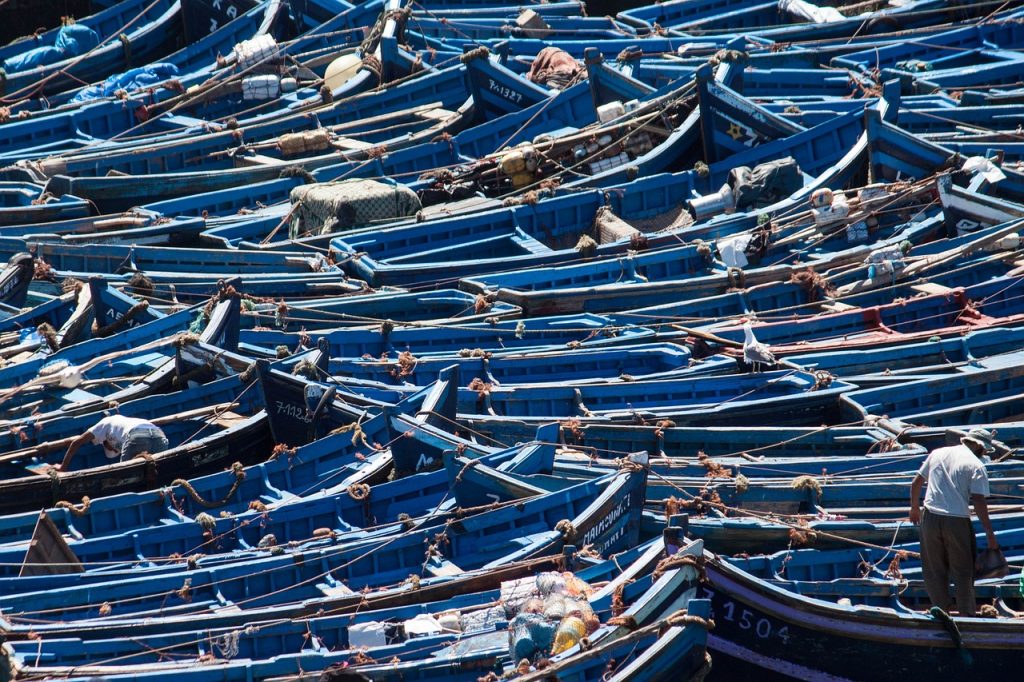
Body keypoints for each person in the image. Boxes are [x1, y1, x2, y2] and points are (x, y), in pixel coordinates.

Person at [909, 428, 999, 616]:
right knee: (963, 572)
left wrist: (914, 508)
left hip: (930, 518)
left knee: (934, 569)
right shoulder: (976, 465)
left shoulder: (937, 453)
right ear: (980, 447)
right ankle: (967, 616)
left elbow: (916, 482)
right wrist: (990, 534)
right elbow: (979, 501)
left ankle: (941, 611)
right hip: (957, 521)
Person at [56, 414, 169, 471]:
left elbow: (77, 442)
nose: (114, 450)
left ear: (105, 442)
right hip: (159, 435)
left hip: (136, 435)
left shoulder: (105, 422)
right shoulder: (123, 424)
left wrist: (63, 467)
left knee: (124, 473)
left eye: (112, 449)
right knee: (160, 470)